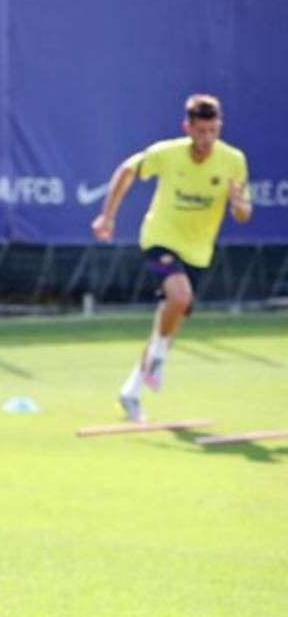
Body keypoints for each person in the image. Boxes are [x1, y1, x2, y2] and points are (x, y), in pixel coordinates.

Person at [91, 93, 252, 422]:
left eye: (213, 131)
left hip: (198, 252)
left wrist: (238, 205)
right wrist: (107, 216)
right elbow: (126, 171)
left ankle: (131, 391)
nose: (207, 139)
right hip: (159, 239)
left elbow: (243, 213)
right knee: (179, 296)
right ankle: (159, 357)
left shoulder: (233, 161)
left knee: (172, 314)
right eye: (201, 131)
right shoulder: (167, 154)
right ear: (187, 127)